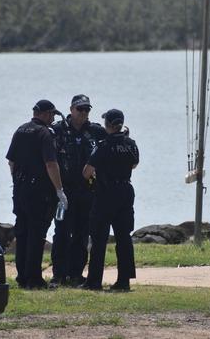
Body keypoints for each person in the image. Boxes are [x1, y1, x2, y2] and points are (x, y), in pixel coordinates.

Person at [6, 99, 68, 289]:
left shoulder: (20, 130)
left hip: (20, 189)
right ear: (44, 114)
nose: (52, 119)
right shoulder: (45, 133)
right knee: (37, 234)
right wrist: (59, 190)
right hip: (39, 192)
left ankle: (22, 276)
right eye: (51, 114)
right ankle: (34, 278)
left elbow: (11, 162)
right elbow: (51, 164)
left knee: (22, 233)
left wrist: (17, 182)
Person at [50, 94, 107, 287]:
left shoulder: (95, 131)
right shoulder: (57, 130)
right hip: (64, 192)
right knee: (62, 233)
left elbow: (113, 141)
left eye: (87, 110)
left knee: (83, 234)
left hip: (87, 192)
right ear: (71, 109)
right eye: (80, 109)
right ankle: (59, 274)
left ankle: (76, 273)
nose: (83, 113)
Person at [81, 109, 139, 291]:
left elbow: (87, 172)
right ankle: (124, 281)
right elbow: (134, 164)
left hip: (106, 193)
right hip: (125, 191)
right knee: (124, 238)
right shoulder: (131, 144)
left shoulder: (103, 145)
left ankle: (94, 281)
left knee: (99, 238)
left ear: (107, 125)